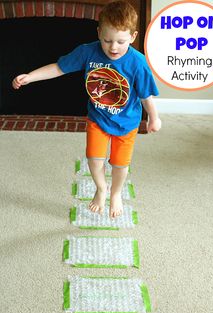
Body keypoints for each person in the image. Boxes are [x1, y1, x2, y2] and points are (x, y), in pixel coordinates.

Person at [12, 0, 161, 218]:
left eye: (120, 41)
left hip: (127, 122)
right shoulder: (87, 52)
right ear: (99, 33)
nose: (113, 47)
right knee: (94, 158)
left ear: (133, 37)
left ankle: (116, 193)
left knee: (120, 164)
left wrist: (154, 118)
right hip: (97, 119)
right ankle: (101, 189)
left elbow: (146, 95)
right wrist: (30, 77)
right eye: (107, 40)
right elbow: (58, 68)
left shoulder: (138, 63)